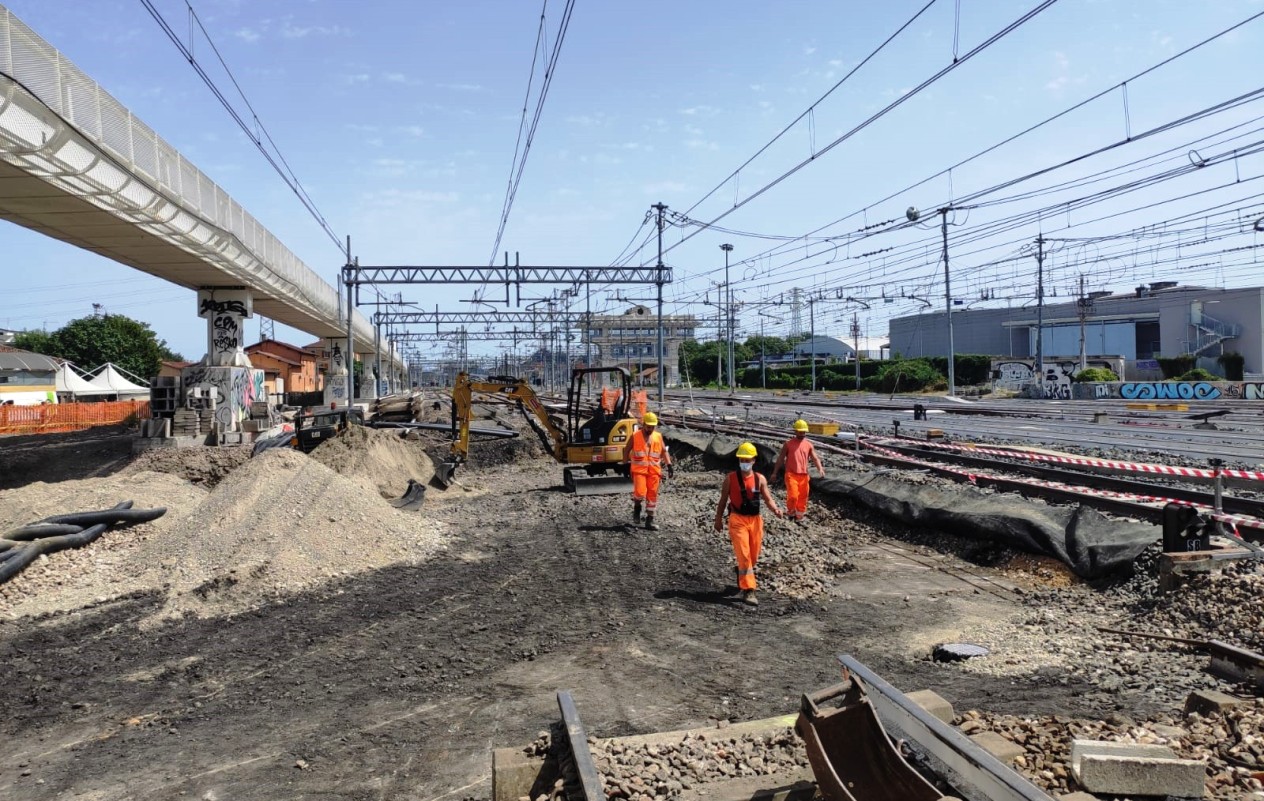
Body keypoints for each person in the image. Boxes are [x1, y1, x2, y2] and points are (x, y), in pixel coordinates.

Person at [714, 442, 783, 606]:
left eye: (747, 459)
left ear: (753, 460)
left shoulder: (760, 479)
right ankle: (749, 590)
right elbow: (723, 500)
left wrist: (775, 510)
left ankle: (742, 573)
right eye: (741, 459)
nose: (744, 462)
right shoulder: (730, 479)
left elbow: (767, 498)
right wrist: (718, 519)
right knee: (744, 555)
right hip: (737, 520)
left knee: (753, 555)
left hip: (755, 521)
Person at [624, 411, 673, 530]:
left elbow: (663, 451)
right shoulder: (635, 436)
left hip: (654, 471)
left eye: (652, 427)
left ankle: (649, 521)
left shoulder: (658, 436)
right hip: (639, 470)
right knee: (640, 493)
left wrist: (669, 465)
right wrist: (625, 465)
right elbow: (626, 450)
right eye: (648, 426)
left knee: (652, 496)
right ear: (644, 424)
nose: (650, 429)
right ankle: (637, 508)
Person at [771, 419, 826, 523]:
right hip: (791, 474)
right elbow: (780, 459)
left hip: (804, 476)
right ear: (795, 431)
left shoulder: (809, 445)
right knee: (793, 496)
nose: (802, 434)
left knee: (803, 497)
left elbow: (815, 458)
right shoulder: (788, 444)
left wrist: (820, 469)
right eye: (800, 432)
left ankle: (799, 516)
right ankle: (791, 512)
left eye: (804, 432)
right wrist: (774, 473)